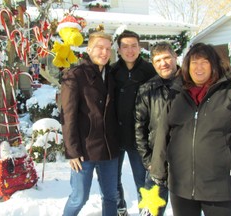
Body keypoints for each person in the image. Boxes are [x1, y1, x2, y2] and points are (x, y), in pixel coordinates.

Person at [150, 43, 231, 216]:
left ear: (214, 65)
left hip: (222, 187)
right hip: (182, 185)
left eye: (204, 62)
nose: (198, 67)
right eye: (194, 63)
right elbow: (163, 134)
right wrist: (159, 169)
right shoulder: (177, 94)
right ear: (187, 66)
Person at [61, 31, 119, 216]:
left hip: (110, 149)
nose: (104, 52)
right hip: (84, 151)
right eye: (100, 48)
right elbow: (67, 116)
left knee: (111, 196)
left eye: (108, 49)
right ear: (89, 49)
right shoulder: (74, 75)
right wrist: (72, 152)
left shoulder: (111, 74)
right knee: (79, 197)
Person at [111, 30, 156, 215]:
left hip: (139, 137)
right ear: (119, 49)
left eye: (134, 46)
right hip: (114, 135)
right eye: (125, 46)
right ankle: (120, 208)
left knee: (142, 179)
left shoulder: (150, 71)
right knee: (113, 179)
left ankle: (145, 210)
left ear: (140, 47)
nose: (130, 50)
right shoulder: (112, 71)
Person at [135, 41, 180, 215]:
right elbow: (139, 128)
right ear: (153, 64)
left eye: (167, 57)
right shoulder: (147, 89)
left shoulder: (190, 85)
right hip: (157, 163)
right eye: (158, 60)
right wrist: (148, 161)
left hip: (185, 164)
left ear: (175, 57)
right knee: (151, 212)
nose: (164, 63)